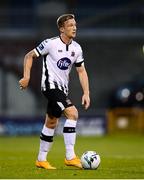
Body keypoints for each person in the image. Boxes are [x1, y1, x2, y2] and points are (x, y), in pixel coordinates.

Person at [19, 14, 90, 170]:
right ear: (62, 28)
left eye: (75, 24)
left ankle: (41, 159)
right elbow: (29, 56)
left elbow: (81, 71)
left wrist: (86, 93)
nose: (74, 27)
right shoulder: (50, 44)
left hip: (62, 90)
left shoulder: (77, 48)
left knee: (51, 122)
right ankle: (70, 156)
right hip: (50, 87)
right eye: (71, 25)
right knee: (73, 113)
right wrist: (26, 77)